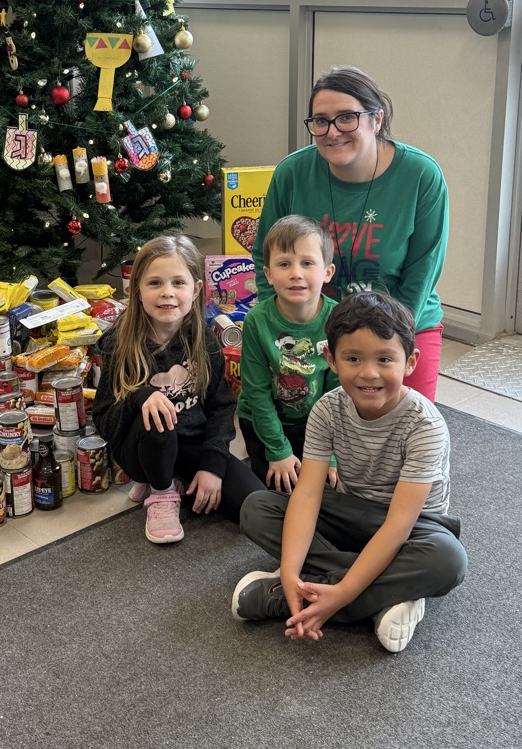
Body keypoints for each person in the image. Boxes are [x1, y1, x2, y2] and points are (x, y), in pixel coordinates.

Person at [231, 291, 467, 653]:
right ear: (331, 359)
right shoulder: (327, 409)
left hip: (413, 527)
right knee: (256, 508)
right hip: (352, 511)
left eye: (384, 359)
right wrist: (291, 573)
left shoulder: (425, 425)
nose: (368, 373)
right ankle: (384, 593)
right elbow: (307, 495)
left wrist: (341, 593)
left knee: (448, 560)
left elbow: (399, 524)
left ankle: (309, 596)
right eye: (353, 358)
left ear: (410, 362)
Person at [251, 66, 448, 401]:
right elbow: (264, 254)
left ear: (377, 119)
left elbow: (423, 269)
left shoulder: (421, 175)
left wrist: (390, 341)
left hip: (402, 321)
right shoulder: (292, 173)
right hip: (312, 321)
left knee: (405, 422)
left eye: (347, 118)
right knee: (308, 418)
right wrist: (277, 322)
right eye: (321, 121)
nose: (332, 132)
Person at [92, 234, 266, 544]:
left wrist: (212, 466)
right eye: (155, 283)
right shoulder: (119, 343)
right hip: (142, 449)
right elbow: (105, 421)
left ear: (195, 289)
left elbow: (221, 406)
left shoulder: (204, 339)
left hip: (192, 445)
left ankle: (176, 478)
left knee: (257, 505)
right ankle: (161, 490)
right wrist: (140, 397)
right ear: (136, 290)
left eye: (178, 283)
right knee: (158, 413)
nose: (167, 293)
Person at [237, 215, 340, 493]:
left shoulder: (337, 319)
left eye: (307, 263)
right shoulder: (256, 321)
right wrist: (278, 450)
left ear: (327, 272)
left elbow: (337, 395)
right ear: (268, 274)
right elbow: (257, 392)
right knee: (274, 492)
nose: (296, 273)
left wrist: (331, 455)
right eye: (284, 264)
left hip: (313, 423)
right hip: (261, 419)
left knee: (326, 490)